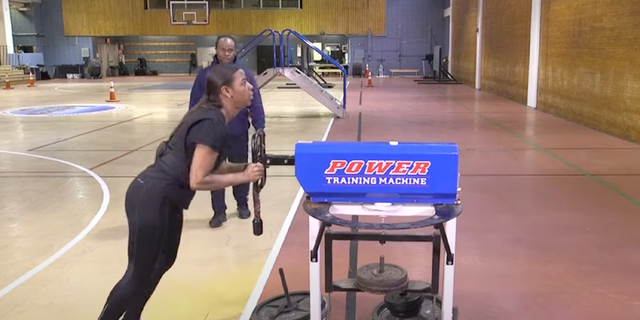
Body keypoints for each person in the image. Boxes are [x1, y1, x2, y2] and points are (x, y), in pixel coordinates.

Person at [96, 64, 264, 320]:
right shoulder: (213, 123)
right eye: (244, 83)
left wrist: (244, 167)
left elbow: (209, 166)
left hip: (168, 199)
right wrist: (244, 176)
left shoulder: (215, 117)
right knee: (137, 274)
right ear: (227, 92)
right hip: (151, 197)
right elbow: (198, 179)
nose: (251, 86)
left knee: (163, 261)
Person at [189, 35, 265, 228]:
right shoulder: (206, 76)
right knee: (214, 171)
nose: (226, 53)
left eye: (230, 50)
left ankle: (242, 204)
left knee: (241, 166)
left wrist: (260, 126)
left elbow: (255, 101)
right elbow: (195, 104)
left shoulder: (244, 75)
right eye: (223, 49)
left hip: (238, 132)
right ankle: (219, 211)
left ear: (235, 51)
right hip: (213, 135)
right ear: (216, 50)